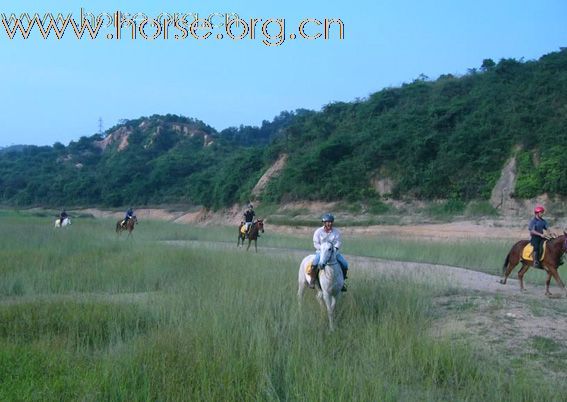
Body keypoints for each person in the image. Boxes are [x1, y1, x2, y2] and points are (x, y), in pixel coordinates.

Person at [312, 213, 349, 291]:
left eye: (331, 222)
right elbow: (315, 243)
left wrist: (335, 248)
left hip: (333, 252)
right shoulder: (318, 232)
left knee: (345, 264)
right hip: (321, 252)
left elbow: (338, 242)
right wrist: (322, 249)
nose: (330, 223)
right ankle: (313, 281)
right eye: (328, 222)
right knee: (315, 263)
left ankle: (342, 282)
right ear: (324, 223)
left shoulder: (336, 232)